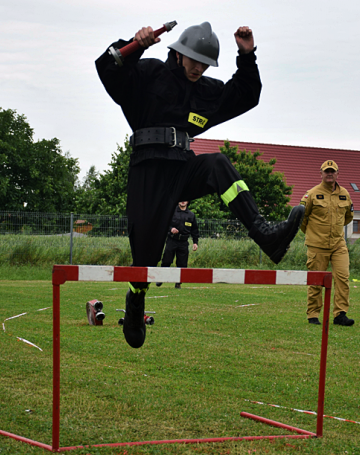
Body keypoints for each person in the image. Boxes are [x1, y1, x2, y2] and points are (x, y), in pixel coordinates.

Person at [97, 22, 304, 348]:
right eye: (193, 60)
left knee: (217, 163)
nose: (198, 67)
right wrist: (136, 44)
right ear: (178, 53)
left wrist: (247, 55)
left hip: (182, 168)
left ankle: (266, 234)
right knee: (145, 261)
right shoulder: (148, 74)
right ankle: (136, 301)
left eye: (204, 63)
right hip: (147, 172)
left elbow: (247, 94)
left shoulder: (206, 91)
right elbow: (108, 67)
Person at [299, 160, 354, 326]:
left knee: (343, 278)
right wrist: (312, 234)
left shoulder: (345, 194)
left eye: (332, 171)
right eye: (326, 171)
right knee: (316, 281)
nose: (329, 174)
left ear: (338, 174)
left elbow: (348, 217)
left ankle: (340, 314)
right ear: (321, 173)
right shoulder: (312, 194)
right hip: (317, 245)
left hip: (338, 244)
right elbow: (301, 217)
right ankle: (313, 315)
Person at [156, 201, 199, 288]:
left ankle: (178, 282)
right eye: (181, 199)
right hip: (172, 240)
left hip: (183, 242)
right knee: (166, 260)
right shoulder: (171, 212)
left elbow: (194, 230)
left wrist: (195, 242)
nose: (183, 202)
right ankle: (161, 278)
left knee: (182, 263)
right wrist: (171, 229)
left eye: (185, 200)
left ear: (187, 202)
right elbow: (165, 224)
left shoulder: (191, 215)